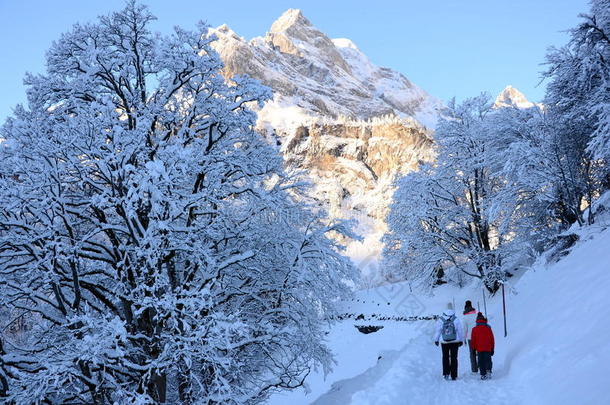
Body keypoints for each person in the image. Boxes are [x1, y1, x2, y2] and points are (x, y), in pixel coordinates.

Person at [434, 303, 464, 380]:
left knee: (445, 357)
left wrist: (436, 340)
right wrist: (461, 340)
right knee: (454, 358)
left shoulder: (441, 319)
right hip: (455, 341)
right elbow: (460, 331)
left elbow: (438, 331)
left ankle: (446, 374)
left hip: (444, 342)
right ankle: (454, 375)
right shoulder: (456, 319)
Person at [471, 312, 495, 380]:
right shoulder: (488, 327)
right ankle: (489, 371)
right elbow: (492, 338)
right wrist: (492, 348)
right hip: (488, 347)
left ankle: (483, 374)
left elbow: (473, 340)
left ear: (477, 320)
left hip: (479, 348)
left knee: (481, 361)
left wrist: (473, 349)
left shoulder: (474, 329)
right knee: (488, 360)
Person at [462, 300, 478, 373]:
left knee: (472, 353)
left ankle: (474, 369)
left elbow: (464, 330)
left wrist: (464, 339)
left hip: (470, 338)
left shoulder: (465, 317)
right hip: (478, 336)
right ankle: (481, 366)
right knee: (480, 352)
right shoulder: (477, 314)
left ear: (465, 308)